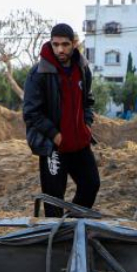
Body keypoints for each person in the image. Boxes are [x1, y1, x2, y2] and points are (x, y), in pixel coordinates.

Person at [23, 23, 98, 217]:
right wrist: (55, 135)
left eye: (65, 44)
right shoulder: (38, 73)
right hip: (53, 145)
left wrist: (86, 124)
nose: (60, 49)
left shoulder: (82, 68)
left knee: (91, 184)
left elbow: (88, 101)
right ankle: (56, 241)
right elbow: (31, 113)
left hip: (79, 142)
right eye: (55, 44)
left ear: (74, 43)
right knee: (53, 199)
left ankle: (70, 228)